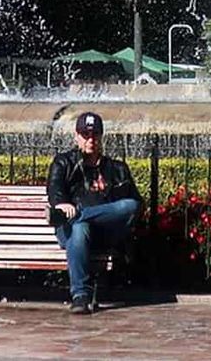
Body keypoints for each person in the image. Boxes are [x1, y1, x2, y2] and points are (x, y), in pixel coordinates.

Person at [46, 111, 142, 315]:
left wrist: (78, 213)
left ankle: (82, 215)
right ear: (76, 136)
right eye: (85, 135)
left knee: (129, 206)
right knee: (79, 228)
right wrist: (61, 203)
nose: (91, 140)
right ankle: (81, 296)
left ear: (101, 136)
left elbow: (134, 205)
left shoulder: (117, 169)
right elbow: (54, 189)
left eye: (95, 135)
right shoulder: (63, 163)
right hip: (73, 233)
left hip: (105, 231)